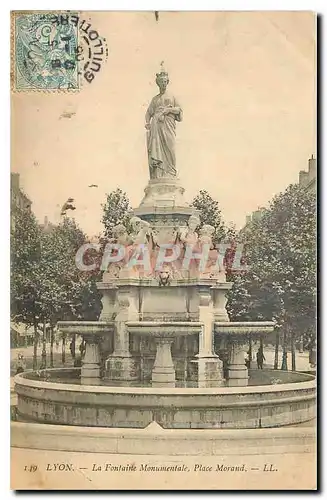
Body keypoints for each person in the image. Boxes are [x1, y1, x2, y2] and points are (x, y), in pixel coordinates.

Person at [145, 63, 183, 179]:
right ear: (158, 83)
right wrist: (147, 123)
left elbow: (179, 111)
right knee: (157, 151)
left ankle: (171, 173)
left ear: (167, 82)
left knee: (170, 148)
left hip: (168, 127)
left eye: (164, 81)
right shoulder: (155, 99)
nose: (163, 84)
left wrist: (168, 110)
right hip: (156, 128)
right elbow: (148, 113)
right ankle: (159, 173)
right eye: (160, 82)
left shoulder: (172, 96)